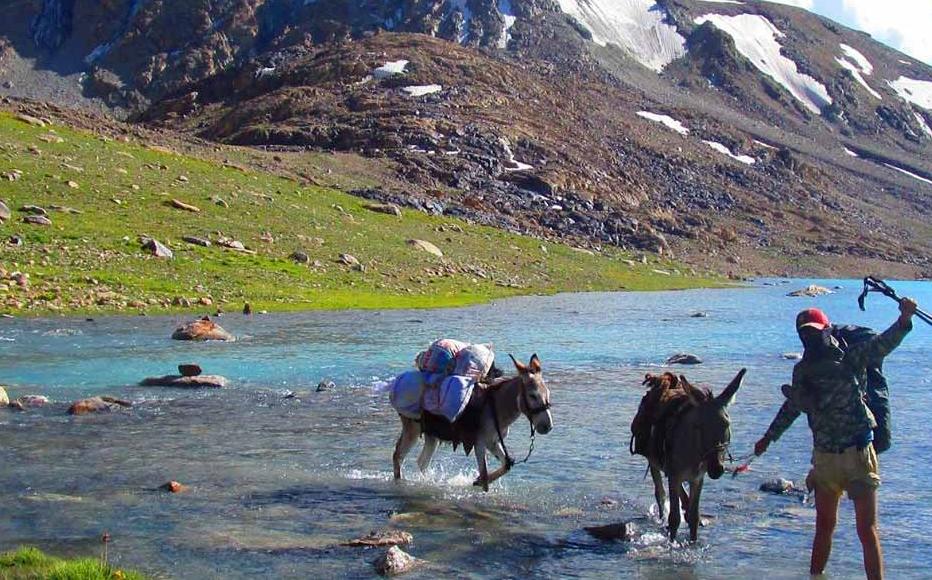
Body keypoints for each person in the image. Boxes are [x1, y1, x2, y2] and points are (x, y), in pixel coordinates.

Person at [754, 298, 917, 580]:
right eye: (805, 332)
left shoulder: (850, 358)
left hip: (857, 455)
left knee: (865, 530)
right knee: (826, 526)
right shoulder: (803, 371)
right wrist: (768, 439)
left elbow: (883, 345)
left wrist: (904, 320)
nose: (810, 337)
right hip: (827, 459)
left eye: (814, 331)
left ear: (828, 330)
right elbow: (792, 407)